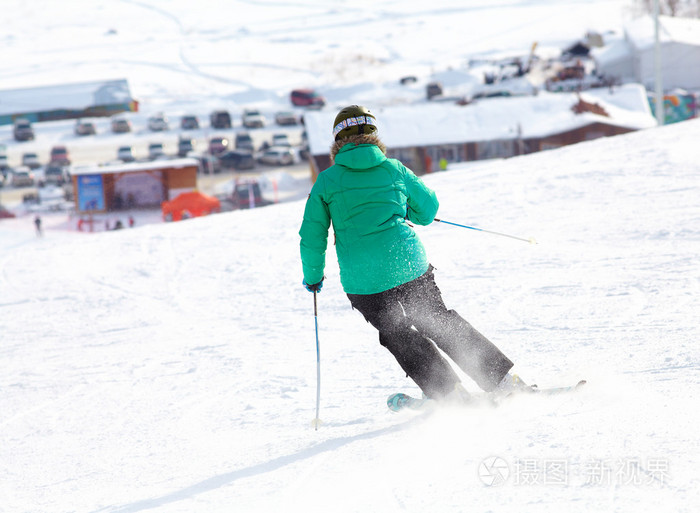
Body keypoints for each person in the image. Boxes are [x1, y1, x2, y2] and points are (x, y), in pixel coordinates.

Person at [299, 105, 528, 404]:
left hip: (365, 281)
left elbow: (312, 236)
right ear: (373, 135)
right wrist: (404, 209)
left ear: (337, 140)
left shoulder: (327, 182)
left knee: (398, 333)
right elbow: (428, 210)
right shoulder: (393, 168)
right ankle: (501, 381)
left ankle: (448, 392)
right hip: (408, 264)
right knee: (438, 320)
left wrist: (313, 277)